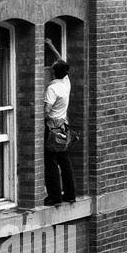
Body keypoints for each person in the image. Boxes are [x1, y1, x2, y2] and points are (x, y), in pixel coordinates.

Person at [44, 57, 76, 206]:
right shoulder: (66, 84)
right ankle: (70, 194)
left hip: (52, 128)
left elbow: (46, 111)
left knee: (50, 163)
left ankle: (54, 196)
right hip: (64, 127)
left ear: (52, 72)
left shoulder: (52, 88)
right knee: (64, 161)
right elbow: (63, 63)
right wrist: (51, 46)